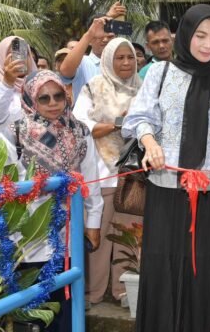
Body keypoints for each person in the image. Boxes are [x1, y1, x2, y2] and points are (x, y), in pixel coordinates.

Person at [122, 4, 210, 332]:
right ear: (186, 35)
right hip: (164, 188)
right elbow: (142, 117)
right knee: (161, 263)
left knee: (199, 264)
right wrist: (151, 145)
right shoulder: (161, 73)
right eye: (201, 36)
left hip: (205, 190)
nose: (208, 44)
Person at [6, 70, 103, 332]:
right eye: (44, 98)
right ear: (30, 99)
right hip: (27, 236)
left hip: (67, 233)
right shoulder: (15, 132)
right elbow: (9, 183)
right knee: (33, 308)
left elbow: (91, 181)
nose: (53, 103)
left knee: (67, 304)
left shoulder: (80, 131)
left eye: (58, 96)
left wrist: (93, 223)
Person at [72, 37, 142, 308]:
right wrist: (116, 124)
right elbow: (82, 125)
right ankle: (93, 292)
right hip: (99, 171)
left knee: (128, 235)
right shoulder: (94, 87)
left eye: (130, 58)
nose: (125, 63)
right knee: (97, 233)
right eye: (119, 58)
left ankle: (124, 291)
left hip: (133, 175)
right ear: (107, 60)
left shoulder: (143, 88)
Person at [59, 3, 125, 99]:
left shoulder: (124, 63)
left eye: (110, 36)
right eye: (99, 37)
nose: (105, 40)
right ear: (89, 40)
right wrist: (89, 34)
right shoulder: (82, 62)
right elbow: (65, 70)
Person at [0, 36, 38, 140]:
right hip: (7, 153)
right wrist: (7, 83)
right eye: (12, 54)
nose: (20, 58)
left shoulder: (42, 87)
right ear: (1, 58)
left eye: (25, 53)